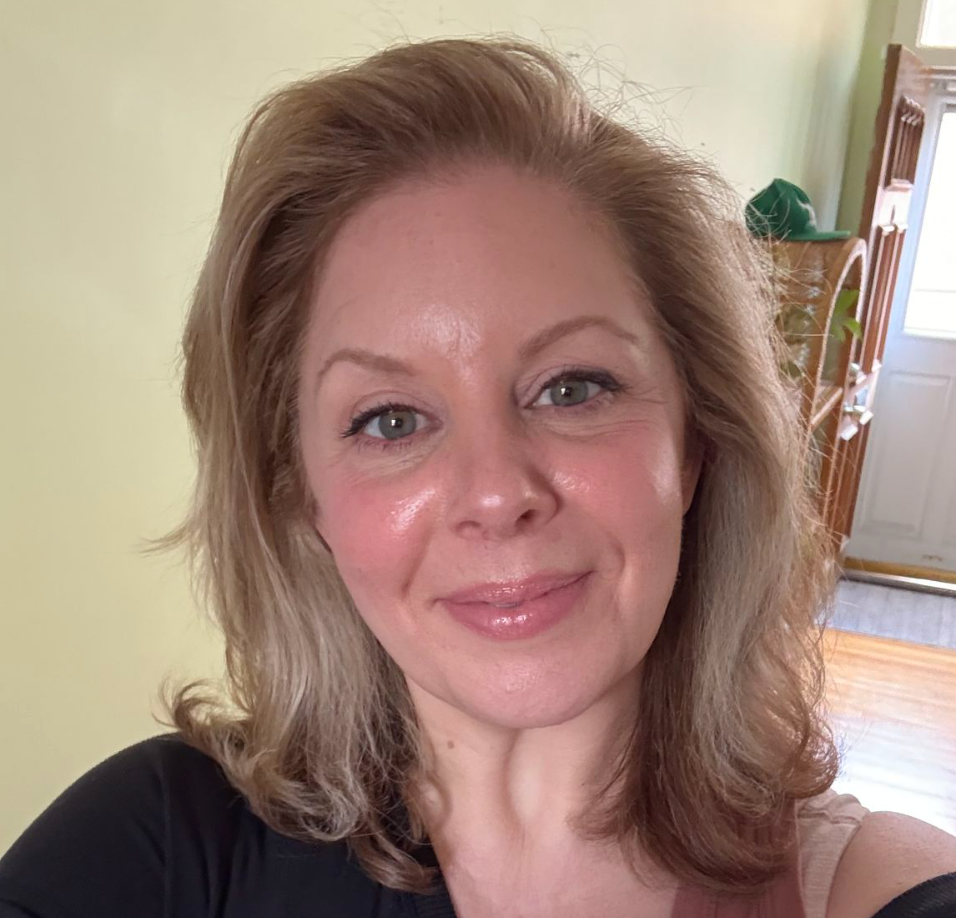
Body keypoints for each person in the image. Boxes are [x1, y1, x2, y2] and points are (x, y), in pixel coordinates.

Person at [1, 36, 954, 918]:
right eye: (391, 420)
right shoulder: (159, 846)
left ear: (695, 442)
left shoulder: (861, 886)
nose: (497, 493)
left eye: (573, 387)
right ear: (301, 497)